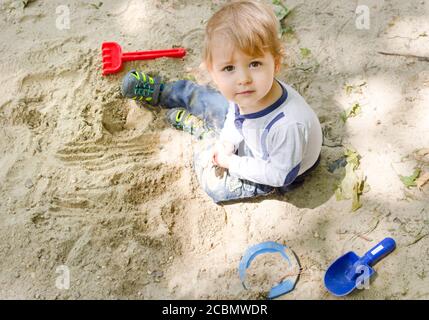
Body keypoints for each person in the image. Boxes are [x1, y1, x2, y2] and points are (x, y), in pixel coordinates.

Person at [121, 0, 323, 203]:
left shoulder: (287, 125)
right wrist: (227, 141)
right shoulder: (250, 91)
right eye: (228, 68)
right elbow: (234, 115)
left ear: (276, 64)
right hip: (250, 132)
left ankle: (206, 137)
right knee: (209, 100)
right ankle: (165, 92)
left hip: (272, 166)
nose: (243, 78)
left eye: (255, 64)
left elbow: (279, 175)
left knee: (214, 184)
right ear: (212, 72)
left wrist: (231, 161)